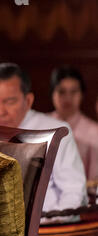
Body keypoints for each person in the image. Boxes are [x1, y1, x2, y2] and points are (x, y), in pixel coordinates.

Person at [0, 62, 88, 217]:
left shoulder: (55, 131)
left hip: (45, 227)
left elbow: (73, 191)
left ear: (28, 100)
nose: (0, 111)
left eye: (9, 101)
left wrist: (51, 228)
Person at [49, 66, 98, 203]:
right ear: (52, 94)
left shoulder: (94, 131)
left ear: (81, 94)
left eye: (73, 92)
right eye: (62, 92)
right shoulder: (41, 127)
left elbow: (94, 182)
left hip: (82, 202)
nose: (67, 98)